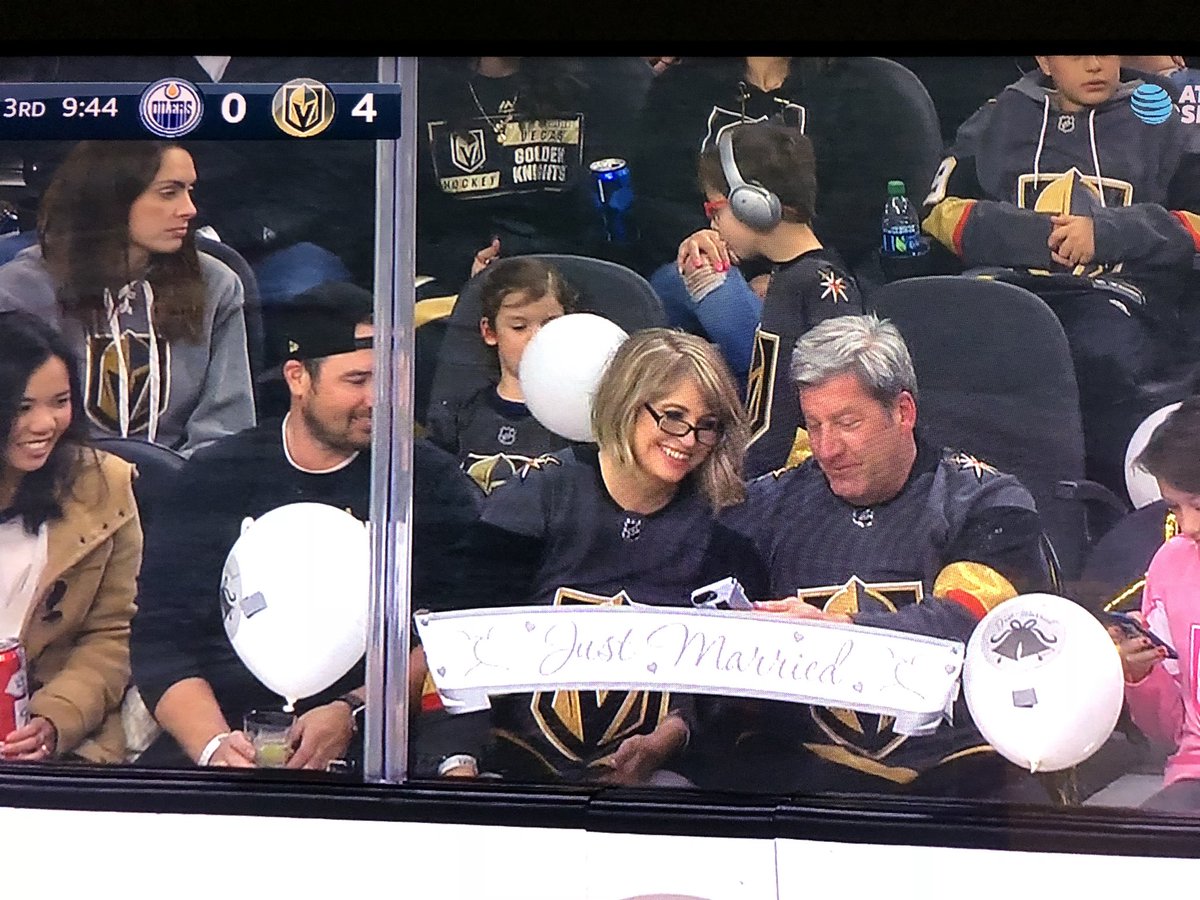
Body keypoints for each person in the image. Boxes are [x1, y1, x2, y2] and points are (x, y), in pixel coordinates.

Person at [130, 282, 478, 770]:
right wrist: (214, 746)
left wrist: (354, 709)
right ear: (298, 378)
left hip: (376, 745)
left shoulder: (429, 482)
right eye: (357, 380)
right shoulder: (217, 476)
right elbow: (162, 639)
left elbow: (452, 637)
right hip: (226, 729)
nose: (378, 399)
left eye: (390, 378)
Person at [719, 315, 1052, 799]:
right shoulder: (764, 507)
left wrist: (838, 633)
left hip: (953, 771)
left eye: (847, 423)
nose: (827, 448)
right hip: (803, 775)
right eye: (814, 425)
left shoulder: (987, 501)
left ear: (903, 411)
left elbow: (968, 624)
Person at [428, 328, 764, 785]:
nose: (688, 439)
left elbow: (722, 689)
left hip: (649, 776)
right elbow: (460, 647)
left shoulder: (725, 533)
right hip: (515, 763)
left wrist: (666, 740)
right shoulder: (536, 502)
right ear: (626, 403)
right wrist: (459, 763)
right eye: (673, 417)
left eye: (708, 425)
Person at [921, 55, 1200, 493]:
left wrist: (1108, 234)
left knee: (1096, 351)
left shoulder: (1163, 116)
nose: (1094, 65)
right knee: (950, 342)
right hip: (1007, 286)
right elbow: (937, 209)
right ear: (1045, 61)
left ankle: (1098, 501)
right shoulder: (999, 115)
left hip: (1119, 296)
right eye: (1075, 54)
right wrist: (1031, 235)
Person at [0, 141, 255, 457]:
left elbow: (225, 426)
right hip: (53, 475)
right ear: (111, 199)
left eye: (189, 191)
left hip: (184, 477)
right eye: (169, 192)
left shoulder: (216, 284)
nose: (190, 209)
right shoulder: (19, 290)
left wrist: (181, 478)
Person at [656, 122, 863, 477]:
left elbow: (808, 414)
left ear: (751, 204)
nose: (713, 224)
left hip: (791, 481)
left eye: (714, 210)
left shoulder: (821, 287)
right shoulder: (791, 278)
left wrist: (732, 479)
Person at [630, 56, 940, 279]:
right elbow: (660, 199)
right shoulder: (679, 89)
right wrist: (701, 243)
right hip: (711, 275)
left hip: (833, 283)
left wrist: (792, 274)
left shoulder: (877, 91)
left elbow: (867, 216)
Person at [0, 311, 142, 764]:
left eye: (60, 402)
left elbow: (111, 635)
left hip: (62, 749)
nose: (45, 423)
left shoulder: (105, 486)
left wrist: (55, 719)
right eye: (22, 408)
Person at [416, 57, 626, 289]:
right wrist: (465, 262)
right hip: (461, 279)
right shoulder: (423, 92)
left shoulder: (583, 88)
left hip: (566, 271)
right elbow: (412, 223)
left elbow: (600, 213)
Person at [425, 257, 578, 495]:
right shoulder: (458, 417)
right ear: (489, 332)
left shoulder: (579, 422)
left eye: (550, 324)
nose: (536, 338)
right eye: (519, 327)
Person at [1113, 396, 1200, 813]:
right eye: (1174, 509)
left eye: (1198, 505)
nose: (1188, 526)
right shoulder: (1170, 564)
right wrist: (1141, 675)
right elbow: (1169, 733)